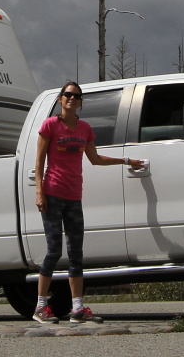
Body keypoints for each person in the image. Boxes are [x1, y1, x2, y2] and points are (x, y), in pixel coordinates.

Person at [31, 81, 144, 324]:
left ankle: (77, 309)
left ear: (81, 102)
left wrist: (126, 160)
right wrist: (40, 192)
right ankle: (40, 306)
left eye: (76, 96)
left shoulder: (84, 128)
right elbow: (39, 162)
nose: (71, 98)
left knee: (76, 254)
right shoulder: (50, 125)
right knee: (54, 251)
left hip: (74, 196)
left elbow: (95, 158)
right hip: (53, 194)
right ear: (60, 99)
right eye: (67, 95)